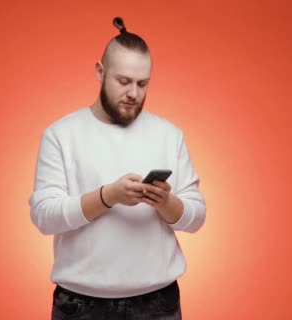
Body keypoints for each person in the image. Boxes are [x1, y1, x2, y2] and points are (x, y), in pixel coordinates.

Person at [29, 17, 206, 320]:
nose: (133, 94)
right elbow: (45, 217)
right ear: (100, 71)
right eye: (123, 81)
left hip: (158, 305)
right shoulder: (61, 134)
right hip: (80, 306)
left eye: (142, 83)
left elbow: (195, 218)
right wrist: (107, 196)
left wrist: (165, 202)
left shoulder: (169, 134)